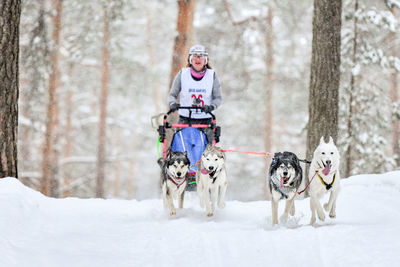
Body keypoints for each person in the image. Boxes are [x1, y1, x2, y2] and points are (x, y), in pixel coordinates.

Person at [168, 44, 222, 142]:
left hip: (205, 120)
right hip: (185, 119)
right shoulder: (182, 74)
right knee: (182, 150)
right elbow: (172, 94)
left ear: (205, 60)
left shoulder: (212, 75)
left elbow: (218, 98)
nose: (198, 59)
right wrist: (172, 104)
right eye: (195, 56)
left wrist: (212, 106)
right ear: (190, 59)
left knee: (206, 153)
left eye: (201, 56)